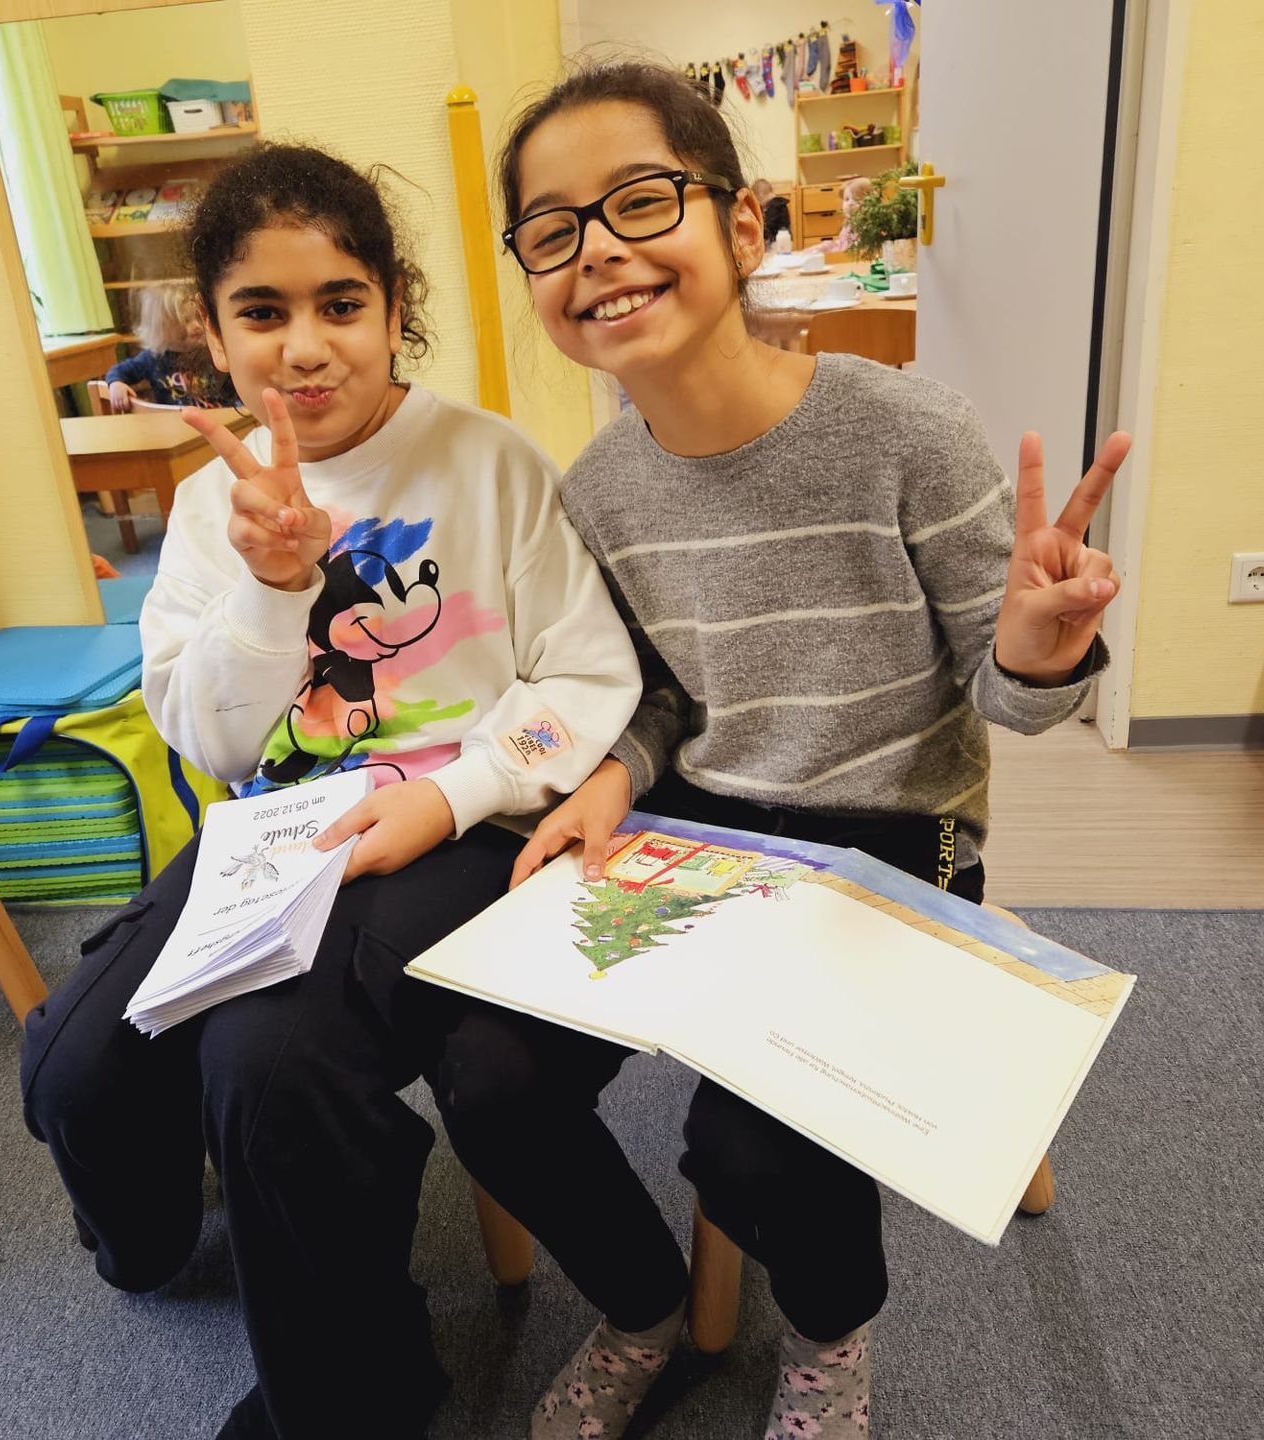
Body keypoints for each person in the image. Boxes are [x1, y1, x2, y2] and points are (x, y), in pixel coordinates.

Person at [466, 62, 1131, 1440]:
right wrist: (610, 776)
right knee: (489, 1076)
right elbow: (654, 700)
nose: (598, 250)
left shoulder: (904, 431)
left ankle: (828, 1345)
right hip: (702, 829)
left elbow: (1010, 708)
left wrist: (1035, 652)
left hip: (895, 833)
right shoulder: (598, 491)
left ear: (743, 224)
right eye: (551, 228)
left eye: (640, 200)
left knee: (752, 1144)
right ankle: (644, 1307)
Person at [18, 142, 642, 1440]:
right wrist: (272, 586)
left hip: (457, 836)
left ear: (394, 307)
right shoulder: (211, 506)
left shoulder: (488, 463)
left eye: (340, 304)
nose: (304, 348)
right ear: (212, 333)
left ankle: (357, 1398)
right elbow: (210, 740)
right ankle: (146, 1244)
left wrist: (456, 793)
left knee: (268, 1068)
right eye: (263, 312)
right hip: (277, 831)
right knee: (74, 1064)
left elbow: (583, 680)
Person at [101, 283, 234, 409]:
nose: (197, 325)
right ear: (161, 328)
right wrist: (116, 384)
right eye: (186, 320)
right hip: (175, 422)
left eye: (198, 318)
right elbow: (118, 371)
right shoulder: (153, 358)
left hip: (220, 419)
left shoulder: (211, 350)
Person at [751, 176, 791, 245]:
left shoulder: (773, 207)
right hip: (785, 239)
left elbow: (768, 226)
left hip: (777, 243)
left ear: (760, 196)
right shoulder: (780, 204)